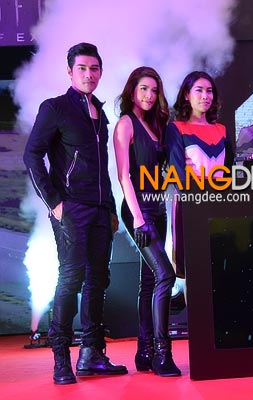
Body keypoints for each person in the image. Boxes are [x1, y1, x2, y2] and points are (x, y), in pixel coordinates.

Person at [22, 42, 127, 384]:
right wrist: (54, 202)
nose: (88, 74)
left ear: (101, 72)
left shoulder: (100, 112)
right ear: (70, 72)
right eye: (82, 68)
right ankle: (61, 358)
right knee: (70, 278)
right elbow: (32, 155)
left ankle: (92, 354)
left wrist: (110, 208)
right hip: (71, 208)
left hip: (100, 210)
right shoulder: (55, 108)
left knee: (99, 279)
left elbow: (102, 167)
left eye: (94, 68)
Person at [113, 66, 181, 377]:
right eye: (143, 89)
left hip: (158, 208)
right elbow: (123, 176)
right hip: (137, 210)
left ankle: (144, 352)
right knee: (165, 274)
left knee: (150, 281)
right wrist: (139, 220)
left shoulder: (158, 125)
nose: (149, 95)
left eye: (154, 90)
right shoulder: (125, 124)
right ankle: (162, 354)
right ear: (132, 91)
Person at [165, 71, 228, 278]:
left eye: (209, 91)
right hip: (190, 205)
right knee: (194, 271)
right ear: (186, 95)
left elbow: (228, 172)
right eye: (199, 90)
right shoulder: (176, 128)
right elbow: (177, 174)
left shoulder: (221, 130)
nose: (205, 96)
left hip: (220, 205)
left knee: (221, 268)